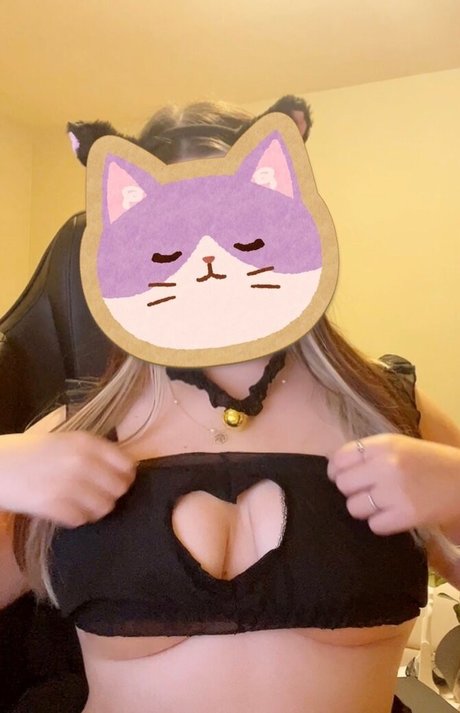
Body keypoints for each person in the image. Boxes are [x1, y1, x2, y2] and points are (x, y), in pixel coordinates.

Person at [2, 97, 459, 713]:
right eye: (168, 244)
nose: (209, 262)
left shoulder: (384, 407)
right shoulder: (79, 430)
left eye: (243, 232)